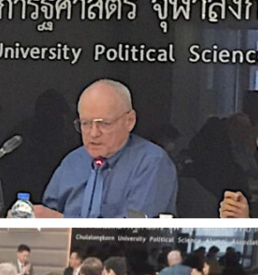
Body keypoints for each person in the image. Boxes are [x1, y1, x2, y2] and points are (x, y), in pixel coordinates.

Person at [38, 79, 178, 218]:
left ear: (129, 121)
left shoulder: (151, 162)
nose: (93, 133)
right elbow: (47, 213)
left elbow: (133, 232)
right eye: (85, 123)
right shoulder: (73, 161)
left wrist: (62, 222)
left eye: (104, 124)